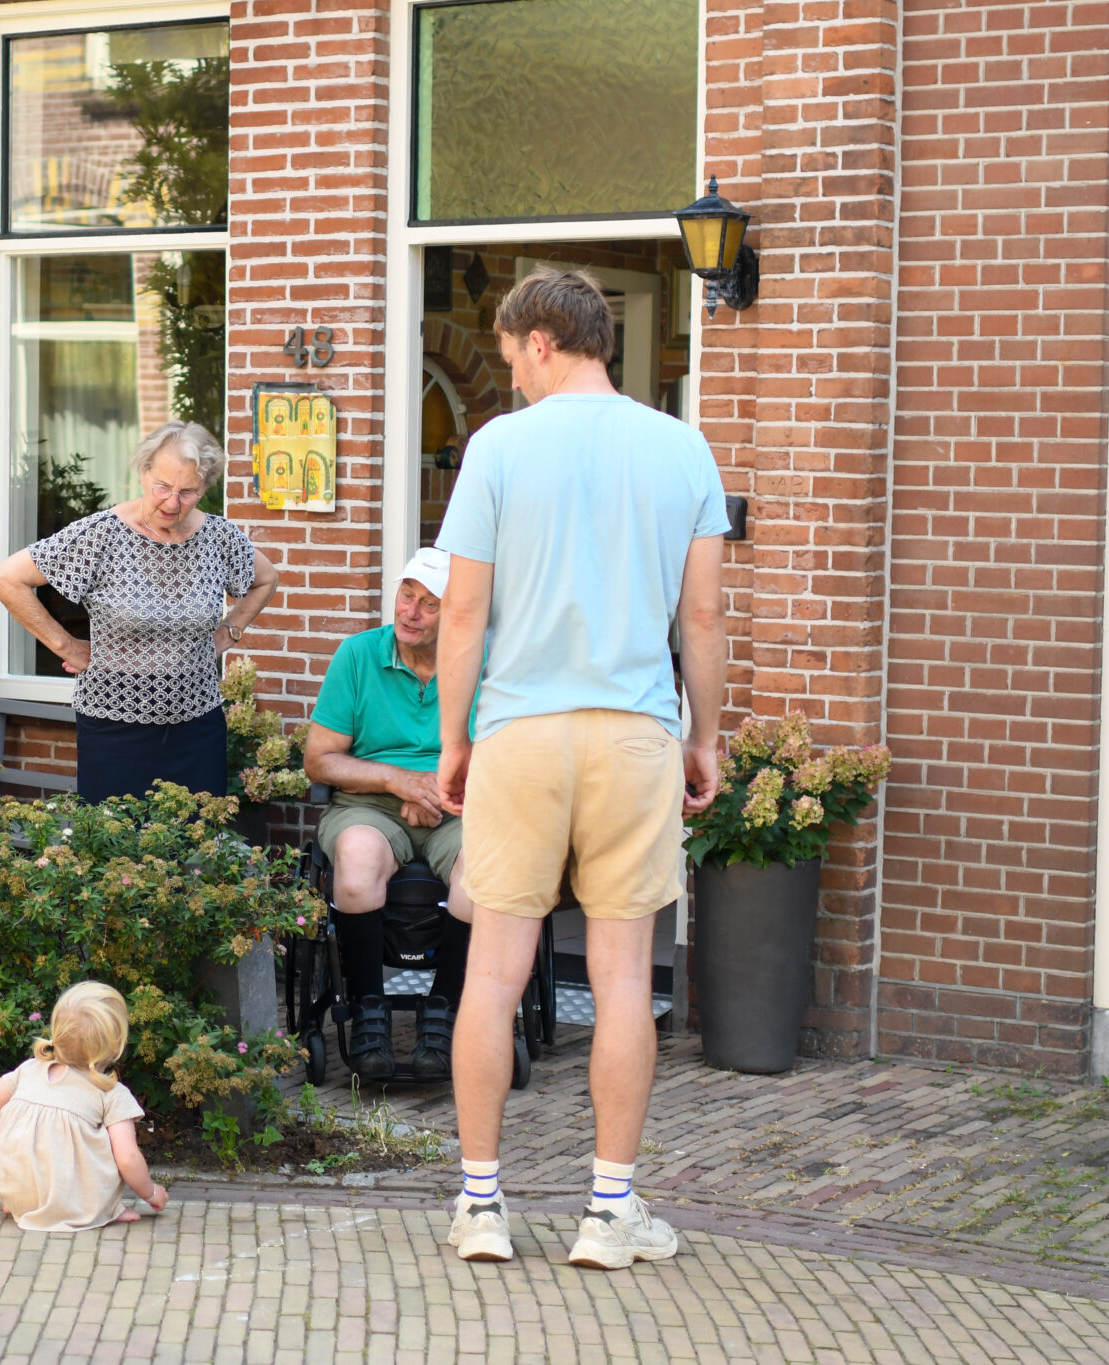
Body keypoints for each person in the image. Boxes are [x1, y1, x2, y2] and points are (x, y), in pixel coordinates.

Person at [432, 265, 727, 1270]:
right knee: (615, 977)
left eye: (512, 355)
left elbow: (462, 611)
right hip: (632, 730)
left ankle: (480, 1206)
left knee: (493, 968)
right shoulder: (681, 444)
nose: (510, 374)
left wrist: (453, 738)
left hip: (521, 729)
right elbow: (700, 618)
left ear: (543, 342)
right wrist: (704, 736)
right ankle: (609, 1214)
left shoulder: (498, 449)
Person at [0, 421, 278, 804]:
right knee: (118, 849)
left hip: (197, 723)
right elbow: (5, 579)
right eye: (163, 487)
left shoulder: (219, 538)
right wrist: (67, 646)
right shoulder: (101, 535)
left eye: (188, 492)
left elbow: (266, 578)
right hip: (114, 724)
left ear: (205, 488)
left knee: (195, 847)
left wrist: (229, 632)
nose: (172, 503)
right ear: (143, 472)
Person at [303, 547, 477, 1082]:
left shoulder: (483, 663)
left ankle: (443, 1014)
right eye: (407, 595)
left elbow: (509, 755)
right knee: (355, 865)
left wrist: (441, 791)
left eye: (430, 603)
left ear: (459, 615)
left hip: (463, 805)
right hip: (369, 807)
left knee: (484, 877)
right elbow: (320, 758)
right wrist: (394, 779)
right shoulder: (358, 655)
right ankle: (367, 1015)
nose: (411, 611)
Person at [0, 981, 170, 1231]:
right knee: (99, 1149)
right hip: (71, 1200)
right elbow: (128, 1159)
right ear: (116, 1045)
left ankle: (25, 1204)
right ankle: (106, 1209)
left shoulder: (30, 1070)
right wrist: (151, 1193)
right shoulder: (110, 1094)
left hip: (14, 1188)